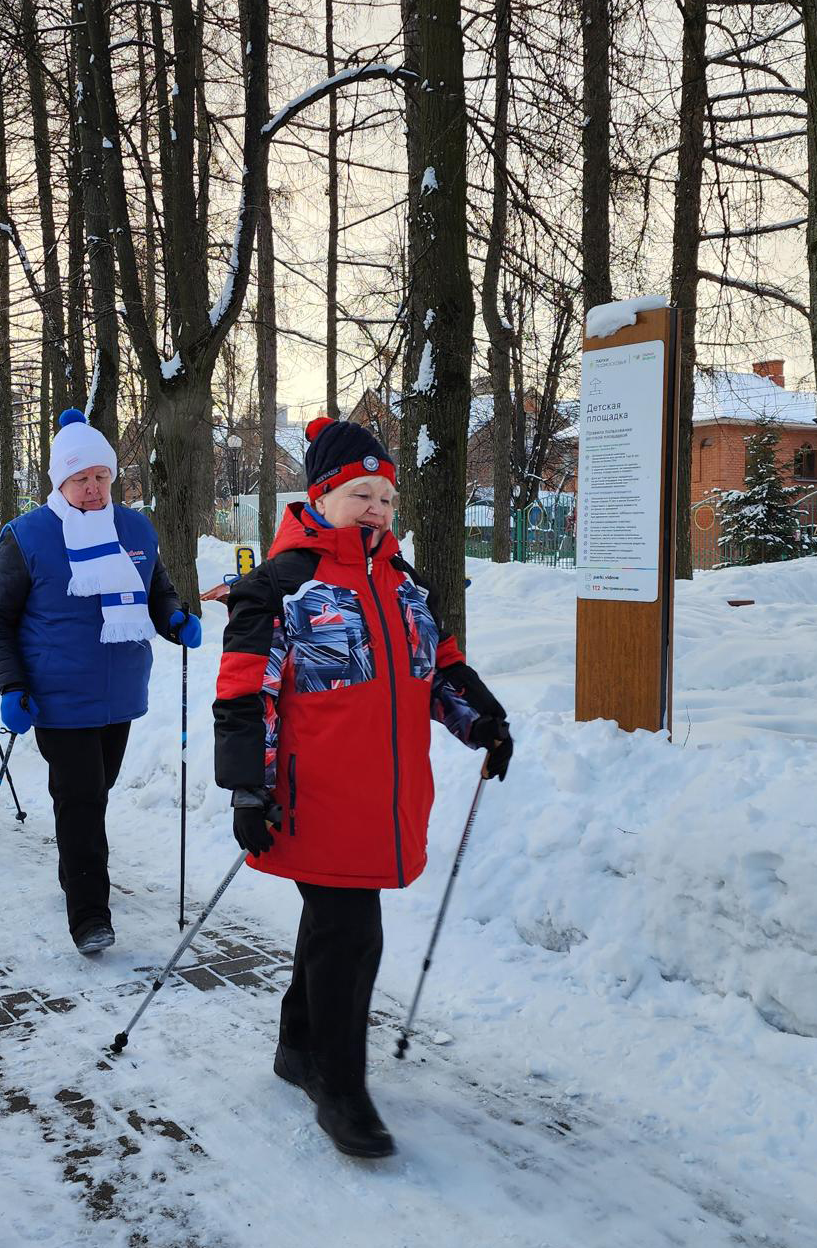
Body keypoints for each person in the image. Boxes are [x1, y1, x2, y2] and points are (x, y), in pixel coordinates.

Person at [212, 417, 514, 1160]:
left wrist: (483, 724)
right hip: (310, 796)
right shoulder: (282, 585)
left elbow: (438, 670)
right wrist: (247, 789)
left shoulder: (405, 585)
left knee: (333, 925)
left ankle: (297, 1046)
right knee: (351, 935)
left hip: (386, 795)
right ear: (320, 496)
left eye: (385, 496)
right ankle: (340, 1086)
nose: (376, 508)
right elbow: (244, 696)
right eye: (359, 494)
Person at [0, 408, 199, 956]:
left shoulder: (134, 527)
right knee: (80, 801)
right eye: (81, 479)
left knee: (92, 795)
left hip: (120, 694)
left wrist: (173, 617)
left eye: (102, 476)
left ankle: (74, 869)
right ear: (60, 481)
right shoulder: (28, 536)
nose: (94, 488)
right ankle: (89, 914)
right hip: (55, 697)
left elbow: (158, 588)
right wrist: (11, 686)